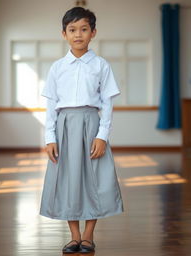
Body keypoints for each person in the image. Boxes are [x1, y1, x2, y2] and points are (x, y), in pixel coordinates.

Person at [39, 6, 124, 254]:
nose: (78, 34)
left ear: (93, 32)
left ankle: (88, 236)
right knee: (67, 180)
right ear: (63, 34)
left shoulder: (101, 65)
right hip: (64, 127)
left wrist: (102, 136)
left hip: (91, 125)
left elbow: (107, 104)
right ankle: (74, 235)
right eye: (72, 29)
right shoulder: (57, 67)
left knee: (94, 180)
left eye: (84, 29)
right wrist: (49, 137)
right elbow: (51, 106)